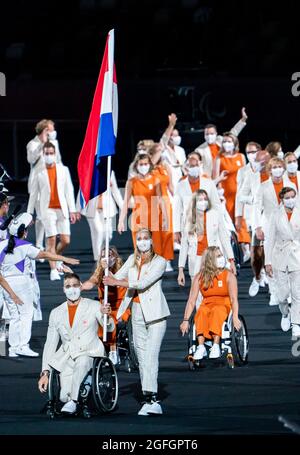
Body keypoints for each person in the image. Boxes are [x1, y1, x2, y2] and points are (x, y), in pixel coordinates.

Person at [103, 228, 170, 416]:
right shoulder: (133, 260)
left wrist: (117, 283)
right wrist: (107, 266)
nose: (142, 242)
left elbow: (142, 283)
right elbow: (115, 278)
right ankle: (148, 398)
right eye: (139, 239)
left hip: (156, 314)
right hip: (137, 312)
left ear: (151, 240)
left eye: (145, 238)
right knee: (141, 358)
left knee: (150, 356)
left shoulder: (160, 262)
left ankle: (154, 399)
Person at [0, 213, 79, 357]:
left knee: (14, 317)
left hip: (6, 284)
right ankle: (23, 345)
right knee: (26, 314)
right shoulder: (25, 246)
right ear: (23, 233)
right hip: (22, 284)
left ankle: (13, 348)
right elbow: (46, 255)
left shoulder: (2, 245)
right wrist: (65, 258)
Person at [38, 272, 114, 414]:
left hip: (89, 351)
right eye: (68, 286)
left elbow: (109, 328)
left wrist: (106, 316)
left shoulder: (94, 305)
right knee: (63, 397)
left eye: (74, 285)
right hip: (67, 356)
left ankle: (74, 401)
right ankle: (72, 398)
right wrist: (45, 372)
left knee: (82, 362)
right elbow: (50, 344)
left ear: (80, 286)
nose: (72, 289)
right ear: (63, 289)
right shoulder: (56, 313)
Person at [180, 246, 241, 360]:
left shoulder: (229, 275)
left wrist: (236, 317)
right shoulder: (200, 277)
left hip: (224, 303)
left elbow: (233, 299)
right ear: (210, 260)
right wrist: (185, 320)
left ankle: (216, 345)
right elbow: (192, 300)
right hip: (207, 303)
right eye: (218, 256)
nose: (222, 258)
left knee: (217, 311)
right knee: (201, 312)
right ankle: (201, 347)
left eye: (221, 255)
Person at [27, 142, 77, 281]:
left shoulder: (64, 170)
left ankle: (57, 258)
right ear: (43, 155)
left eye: (51, 153)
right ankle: (53, 270)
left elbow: (69, 191)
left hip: (62, 209)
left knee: (66, 240)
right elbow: (33, 194)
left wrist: (73, 210)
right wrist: (29, 213)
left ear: (55, 154)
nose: (49, 156)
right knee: (51, 240)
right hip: (47, 210)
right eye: (46, 153)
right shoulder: (39, 172)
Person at [253, 156, 297, 305]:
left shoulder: (290, 184)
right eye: (274, 167)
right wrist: (257, 226)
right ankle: (274, 291)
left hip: (288, 224)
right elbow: (256, 207)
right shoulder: (263, 186)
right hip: (268, 224)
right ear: (270, 170)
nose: (278, 169)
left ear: (283, 168)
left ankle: (290, 290)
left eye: (280, 166)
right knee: (270, 257)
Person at [81, 246, 128, 365]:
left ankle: (113, 351)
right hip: (105, 307)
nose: (105, 258)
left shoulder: (123, 271)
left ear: (115, 258)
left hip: (121, 308)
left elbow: (126, 283)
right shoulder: (99, 273)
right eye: (103, 256)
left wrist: (110, 272)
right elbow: (91, 282)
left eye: (109, 255)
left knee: (110, 320)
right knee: (99, 318)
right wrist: (81, 286)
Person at [178, 189, 235, 286]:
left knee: (215, 291)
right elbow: (184, 245)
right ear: (195, 202)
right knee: (197, 295)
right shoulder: (188, 218)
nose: (203, 202)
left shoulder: (216, 214)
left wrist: (231, 260)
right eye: (200, 200)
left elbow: (224, 238)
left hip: (212, 258)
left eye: (205, 199)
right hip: (195, 259)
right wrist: (180, 270)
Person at [264, 187, 300, 336]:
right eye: (288, 197)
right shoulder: (275, 215)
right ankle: (285, 313)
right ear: (282, 199)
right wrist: (268, 261)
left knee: (297, 293)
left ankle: (296, 323)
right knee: (282, 294)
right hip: (280, 257)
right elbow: (270, 239)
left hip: (297, 256)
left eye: (293, 196)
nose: (291, 200)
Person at [118, 154, 167, 256]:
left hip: (154, 219)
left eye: (146, 164)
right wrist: (121, 221)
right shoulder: (131, 182)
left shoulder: (156, 180)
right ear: (136, 165)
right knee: (140, 250)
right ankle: (141, 271)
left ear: (150, 165)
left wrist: (165, 218)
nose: (143, 166)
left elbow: (161, 200)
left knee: (156, 249)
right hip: (138, 220)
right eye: (141, 164)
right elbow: (125, 202)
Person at [236, 149, 270, 297]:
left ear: (266, 162)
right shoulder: (251, 175)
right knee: (256, 253)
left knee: (273, 252)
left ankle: (273, 287)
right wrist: (253, 200)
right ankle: (257, 277)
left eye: (258, 161)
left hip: (274, 218)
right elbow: (241, 195)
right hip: (256, 218)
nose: (254, 163)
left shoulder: (278, 174)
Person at [26, 119, 62, 251]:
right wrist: (43, 144)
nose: (53, 133)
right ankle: (39, 244)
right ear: (44, 131)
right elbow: (31, 159)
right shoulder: (33, 144)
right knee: (41, 217)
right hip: (38, 184)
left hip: (52, 183)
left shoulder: (54, 143)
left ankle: (50, 243)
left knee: (52, 214)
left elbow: (58, 161)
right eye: (51, 130)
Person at [214, 132, 251, 259]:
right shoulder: (219, 159)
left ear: (234, 143)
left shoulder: (241, 157)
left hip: (240, 194)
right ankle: (235, 252)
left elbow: (247, 176)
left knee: (242, 221)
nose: (226, 144)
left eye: (229, 141)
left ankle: (246, 249)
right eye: (224, 141)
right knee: (230, 224)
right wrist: (219, 195)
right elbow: (216, 178)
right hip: (226, 196)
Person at [173, 151, 221, 246]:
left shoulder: (208, 183)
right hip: (190, 226)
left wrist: (218, 223)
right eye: (191, 166)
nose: (194, 168)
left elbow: (216, 204)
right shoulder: (180, 185)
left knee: (211, 254)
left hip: (209, 224)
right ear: (186, 168)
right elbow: (177, 209)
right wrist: (176, 230)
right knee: (193, 257)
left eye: (196, 166)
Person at [76, 171, 123, 261]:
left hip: (107, 208)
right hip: (91, 208)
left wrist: (122, 207)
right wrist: (77, 209)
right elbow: (82, 190)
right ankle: (98, 258)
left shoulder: (110, 171)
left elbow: (115, 191)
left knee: (108, 234)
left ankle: (102, 252)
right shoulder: (88, 170)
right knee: (98, 231)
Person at [195, 107, 248, 177]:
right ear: (204, 135)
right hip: (211, 179)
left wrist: (243, 120)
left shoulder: (220, 140)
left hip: (226, 175)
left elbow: (233, 133)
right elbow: (197, 166)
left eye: (211, 134)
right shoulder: (199, 150)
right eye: (207, 134)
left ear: (216, 134)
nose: (209, 136)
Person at [148, 143, 174, 270]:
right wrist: (160, 150)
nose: (162, 153)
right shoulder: (149, 167)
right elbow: (151, 162)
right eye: (159, 151)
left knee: (167, 232)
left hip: (166, 201)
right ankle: (157, 259)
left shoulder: (165, 167)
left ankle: (167, 259)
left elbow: (171, 187)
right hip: (153, 202)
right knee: (156, 233)